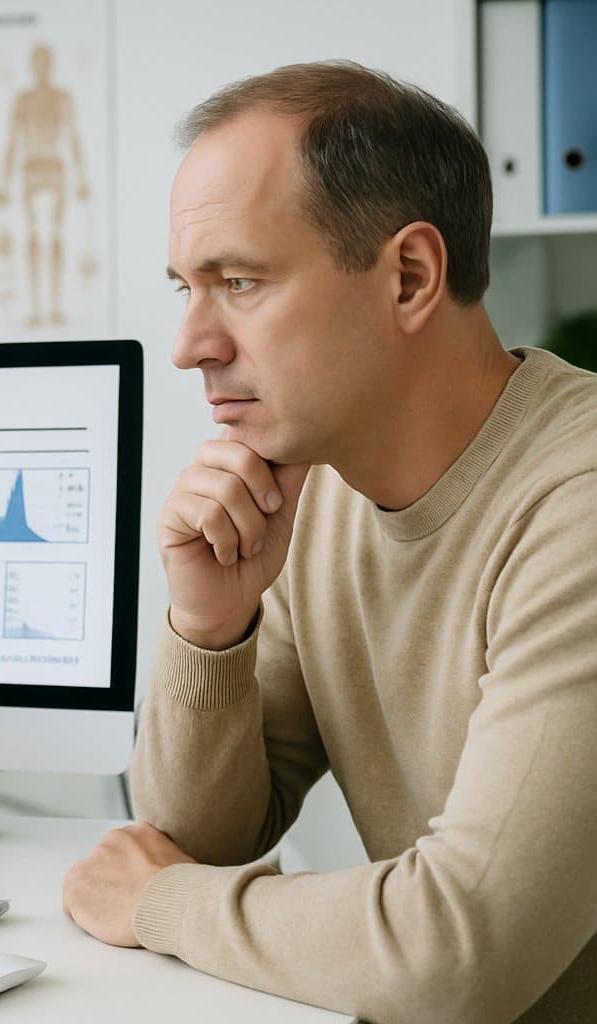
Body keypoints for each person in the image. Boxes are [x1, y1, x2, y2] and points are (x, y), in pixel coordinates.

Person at [60, 61, 597, 1023]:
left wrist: (157, 904)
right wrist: (208, 626)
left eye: (239, 282)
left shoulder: (579, 505)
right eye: (188, 287)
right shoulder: (321, 485)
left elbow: (460, 952)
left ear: (410, 277)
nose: (189, 344)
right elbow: (196, 838)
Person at [0, 43, 90, 328]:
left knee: (55, 236)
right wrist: (4, 182)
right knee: (34, 237)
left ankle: (55, 305)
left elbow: (73, 138)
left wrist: (81, 178)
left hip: (54, 169)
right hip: (31, 171)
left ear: (50, 64)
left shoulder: (62, 98)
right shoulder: (22, 100)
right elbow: (12, 141)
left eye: (44, 61)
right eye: (36, 61)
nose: (41, 66)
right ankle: (36, 307)